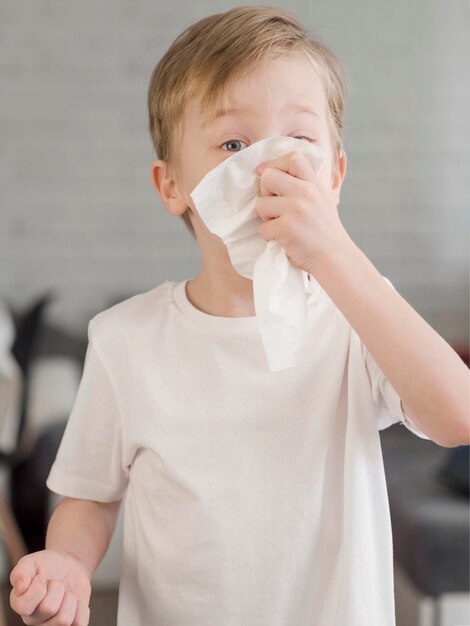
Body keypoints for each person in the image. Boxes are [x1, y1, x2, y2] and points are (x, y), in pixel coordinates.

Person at [9, 6, 469, 626]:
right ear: (172, 186)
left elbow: (456, 416)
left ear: (333, 178)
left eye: (299, 140)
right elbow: (90, 495)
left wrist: (336, 254)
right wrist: (66, 562)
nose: (268, 167)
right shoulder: (124, 340)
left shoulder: (354, 317)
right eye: (233, 145)